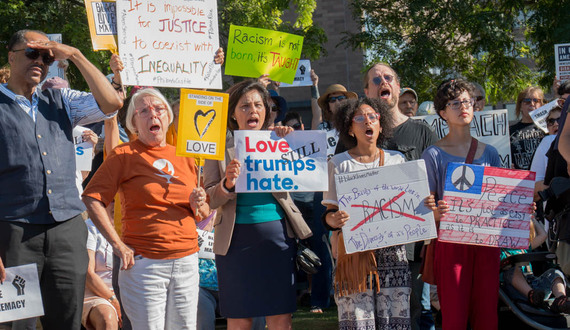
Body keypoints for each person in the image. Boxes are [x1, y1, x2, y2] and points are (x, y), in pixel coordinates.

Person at [0, 29, 122, 329]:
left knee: (67, 320)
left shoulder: (61, 99)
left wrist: (77, 55)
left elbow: (112, 103)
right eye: (32, 52)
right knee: (19, 323)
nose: (40, 60)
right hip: (15, 235)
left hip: (66, 231)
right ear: (11, 56)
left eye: (47, 55)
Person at [82, 88, 207, 329]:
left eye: (159, 109)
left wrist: (198, 204)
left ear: (168, 118)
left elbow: (202, 211)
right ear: (134, 123)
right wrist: (117, 245)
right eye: (144, 111)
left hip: (186, 262)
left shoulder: (187, 156)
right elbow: (92, 198)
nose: (153, 115)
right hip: (144, 265)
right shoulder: (124, 154)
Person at [203, 79, 312, 329]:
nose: (252, 111)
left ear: (267, 111)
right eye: (244, 106)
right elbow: (210, 199)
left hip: (277, 237)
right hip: (234, 242)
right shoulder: (218, 147)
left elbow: (306, 173)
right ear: (233, 113)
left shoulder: (282, 140)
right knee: (240, 318)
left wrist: (291, 142)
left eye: (258, 105)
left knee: (280, 317)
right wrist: (227, 184)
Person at [323, 97, 411, 329]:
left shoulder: (397, 161)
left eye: (373, 117)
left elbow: (409, 205)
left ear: (381, 125)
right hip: (354, 258)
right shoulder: (338, 163)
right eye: (359, 118)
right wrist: (335, 220)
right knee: (359, 322)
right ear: (349, 128)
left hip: (393, 256)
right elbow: (329, 215)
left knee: (395, 321)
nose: (367, 122)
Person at [363, 62, 438, 330]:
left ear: (397, 86)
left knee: (413, 311)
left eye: (388, 77)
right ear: (367, 90)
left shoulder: (422, 132)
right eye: (376, 79)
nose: (382, 81)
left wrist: (432, 200)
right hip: (368, 244)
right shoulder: (356, 131)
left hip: (411, 242)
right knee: (375, 314)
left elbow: (435, 181)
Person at [422, 79, 501, 329]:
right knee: (454, 318)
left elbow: (500, 199)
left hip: (486, 244)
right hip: (451, 244)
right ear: (443, 113)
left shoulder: (490, 153)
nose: (462, 107)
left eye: (466, 101)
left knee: (487, 317)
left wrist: (519, 212)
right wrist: (435, 212)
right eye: (454, 103)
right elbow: (425, 208)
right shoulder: (433, 154)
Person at [283, 111, 334, 314]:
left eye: (298, 126)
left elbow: (317, 116)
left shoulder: (314, 140)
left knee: (320, 252)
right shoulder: (279, 145)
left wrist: (314, 87)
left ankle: (319, 301)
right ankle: (288, 301)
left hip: (316, 203)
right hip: (293, 205)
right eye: (291, 127)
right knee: (290, 255)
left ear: (303, 127)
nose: (295, 130)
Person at [501, 218, 570, 313]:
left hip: (535, 287)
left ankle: (560, 300)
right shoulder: (501, 251)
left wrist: (532, 218)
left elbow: (543, 235)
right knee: (513, 270)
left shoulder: (524, 247)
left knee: (555, 273)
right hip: (517, 289)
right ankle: (531, 295)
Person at [530, 106, 562, 200]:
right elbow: (532, 188)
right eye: (551, 122)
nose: (555, 124)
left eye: (560, 119)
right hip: (557, 211)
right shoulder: (547, 142)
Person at [510, 86, 546, 170]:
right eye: (527, 101)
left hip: (543, 180)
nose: (532, 104)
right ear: (520, 106)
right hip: (519, 180)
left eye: (536, 100)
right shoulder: (509, 131)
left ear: (541, 105)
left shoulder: (548, 128)